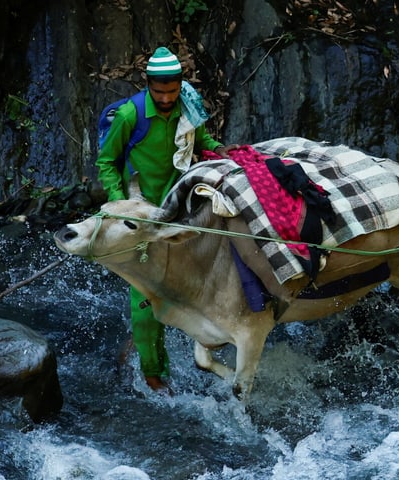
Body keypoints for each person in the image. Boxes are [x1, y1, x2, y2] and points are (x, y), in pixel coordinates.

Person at [96, 46, 238, 392]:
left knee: (199, 277)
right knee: (144, 295)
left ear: (180, 86)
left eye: (171, 91)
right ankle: (153, 372)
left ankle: (203, 345)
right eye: (158, 92)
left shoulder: (186, 106)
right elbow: (106, 162)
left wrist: (219, 150)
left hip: (181, 208)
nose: (165, 98)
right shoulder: (130, 115)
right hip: (143, 215)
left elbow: (199, 139)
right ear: (148, 86)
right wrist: (122, 207)